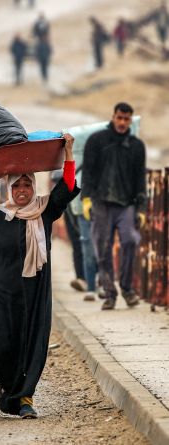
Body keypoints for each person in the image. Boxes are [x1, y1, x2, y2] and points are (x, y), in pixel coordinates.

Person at [0, 134, 79, 419]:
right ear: (8, 188)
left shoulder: (44, 210)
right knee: (3, 345)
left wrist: (69, 152)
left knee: (32, 342)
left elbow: (68, 186)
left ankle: (25, 397)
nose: (22, 190)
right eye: (17, 185)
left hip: (35, 292)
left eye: (27, 184)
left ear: (33, 186)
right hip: (3, 293)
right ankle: (7, 388)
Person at [81, 102, 146, 310]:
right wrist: (86, 199)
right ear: (113, 117)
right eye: (119, 117)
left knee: (130, 241)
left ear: (130, 120)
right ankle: (110, 293)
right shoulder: (97, 140)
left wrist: (141, 208)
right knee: (102, 248)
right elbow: (88, 172)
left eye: (126, 119)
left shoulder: (136, 146)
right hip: (101, 203)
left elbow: (140, 178)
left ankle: (127, 288)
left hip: (126, 204)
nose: (122, 122)